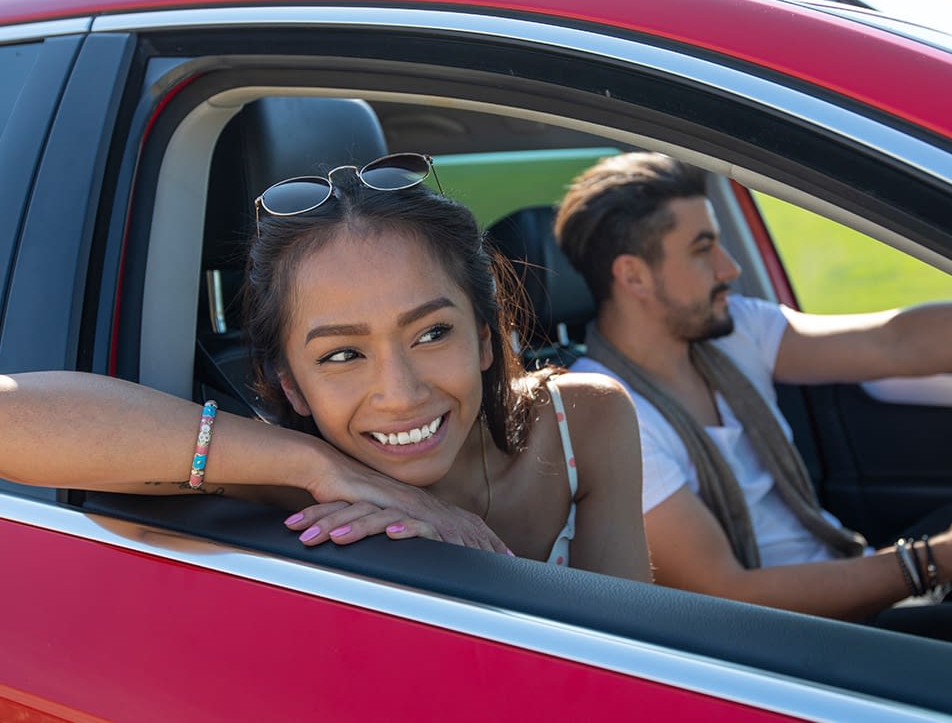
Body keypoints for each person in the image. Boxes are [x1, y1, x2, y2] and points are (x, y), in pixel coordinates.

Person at [553, 151, 952, 659]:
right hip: (785, 638)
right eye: (704, 249)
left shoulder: (732, 332)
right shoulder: (612, 413)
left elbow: (900, 342)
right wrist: (931, 561)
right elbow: (730, 596)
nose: (730, 268)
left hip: (843, 572)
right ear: (633, 276)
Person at [0, 153, 650, 580]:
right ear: (290, 384)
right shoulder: (278, 492)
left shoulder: (581, 420)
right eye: (342, 354)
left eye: (430, 332)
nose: (400, 394)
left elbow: (637, 654)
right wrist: (316, 466)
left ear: (484, 338)